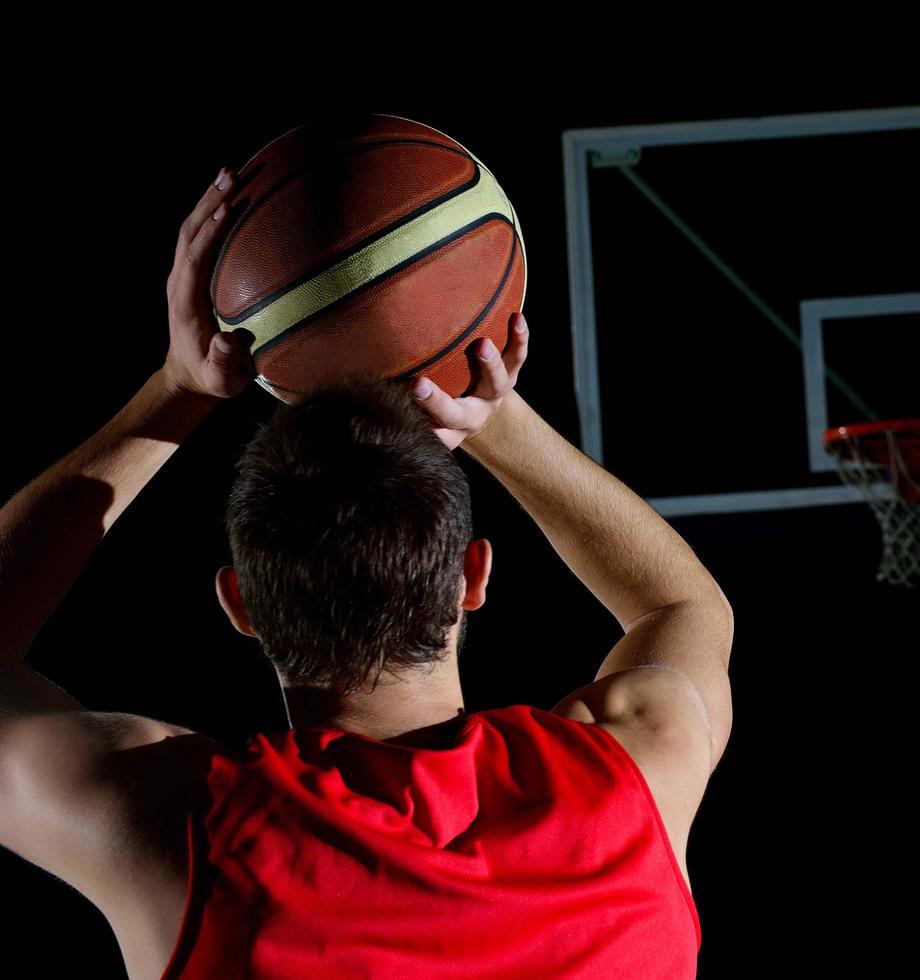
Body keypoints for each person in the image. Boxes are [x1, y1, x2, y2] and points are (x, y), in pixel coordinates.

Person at [0, 166, 732, 979]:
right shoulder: (632, 776)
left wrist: (174, 391)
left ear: (240, 604)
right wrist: (492, 418)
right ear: (473, 577)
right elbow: (681, 600)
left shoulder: (173, 822)